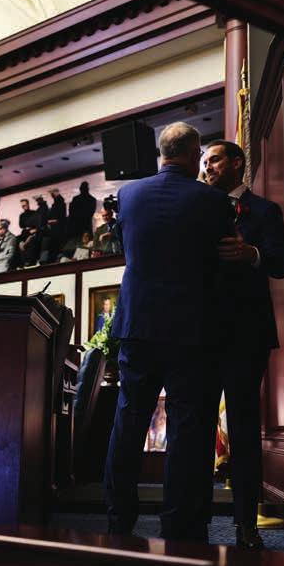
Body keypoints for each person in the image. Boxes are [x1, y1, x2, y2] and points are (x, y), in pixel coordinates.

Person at [103, 121, 234, 543]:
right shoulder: (213, 201)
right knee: (186, 429)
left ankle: (118, 519)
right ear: (195, 155)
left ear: (161, 152)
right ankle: (179, 525)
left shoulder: (128, 195)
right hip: (191, 328)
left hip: (138, 323)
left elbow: (127, 249)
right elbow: (222, 261)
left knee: (128, 421)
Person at [201, 139, 284, 550]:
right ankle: (191, 522)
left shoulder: (266, 211)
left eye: (215, 159)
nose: (207, 167)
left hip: (246, 334)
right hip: (200, 332)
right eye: (204, 162)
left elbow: (280, 263)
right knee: (195, 425)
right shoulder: (197, 209)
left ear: (237, 163)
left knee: (243, 427)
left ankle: (245, 525)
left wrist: (251, 252)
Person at [44, 188, 67, 263]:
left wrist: (50, 221)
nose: (51, 195)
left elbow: (60, 218)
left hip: (58, 230)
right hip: (56, 229)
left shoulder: (60, 203)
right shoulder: (58, 203)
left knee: (55, 247)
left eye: (52, 193)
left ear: (56, 193)